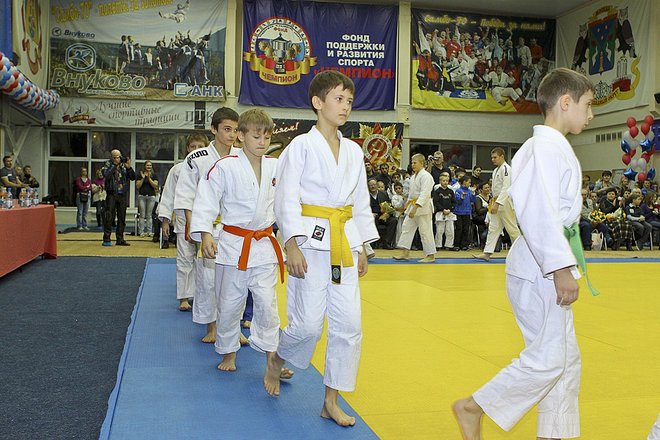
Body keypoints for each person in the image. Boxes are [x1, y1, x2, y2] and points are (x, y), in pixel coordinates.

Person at [453, 67, 595, 439]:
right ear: (566, 102)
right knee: (548, 360)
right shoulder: (544, 148)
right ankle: (473, 407)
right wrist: (559, 268)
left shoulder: (550, 146)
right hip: (539, 267)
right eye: (588, 105)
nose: (591, 114)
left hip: (541, 262)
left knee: (565, 362)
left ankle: (555, 434)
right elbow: (537, 211)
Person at [269, 71, 379, 425]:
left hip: (344, 243)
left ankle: (330, 400)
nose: (345, 106)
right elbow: (285, 198)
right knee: (307, 326)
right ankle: (277, 358)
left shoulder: (353, 151)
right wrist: (291, 244)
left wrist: (361, 246)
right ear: (318, 103)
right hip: (309, 243)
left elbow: (359, 202)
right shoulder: (301, 146)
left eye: (349, 100)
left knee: (349, 325)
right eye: (338, 99)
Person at [191, 109, 294, 387]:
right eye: (256, 136)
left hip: (264, 245)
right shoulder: (224, 167)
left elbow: (285, 206)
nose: (262, 142)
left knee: (268, 304)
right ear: (240, 136)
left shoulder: (276, 167)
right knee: (230, 303)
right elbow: (206, 201)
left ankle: (272, 358)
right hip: (233, 246)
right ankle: (229, 352)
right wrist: (205, 235)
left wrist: (291, 240)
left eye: (267, 137)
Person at [174, 107, 240, 343]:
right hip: (209, 227)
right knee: (208, 280)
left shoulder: (241, 156)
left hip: (235, 227)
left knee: (236, 281)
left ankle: (233, 328)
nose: (232, 135)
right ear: (214, 129)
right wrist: (193, 225)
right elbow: (186, 193)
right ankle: (212, 327)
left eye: (235, 130)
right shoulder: (197, 158)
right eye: (227, 129)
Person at [158, 133, 207, 311]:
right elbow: (168, 194)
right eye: (193, 147)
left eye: (200, 147)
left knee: (205, 261)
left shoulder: (213, 167)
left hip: (207, 221)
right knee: (185, 259)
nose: (196, 150)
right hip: (182, 221)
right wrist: (165, 219)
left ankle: (203, 297)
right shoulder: (178, 169)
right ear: (187, 149)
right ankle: (184, 297)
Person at [473, 147, 520, 261]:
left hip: (505, 201)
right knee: (493, 228)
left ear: (502, 156)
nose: (492, 160)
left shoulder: (506, 169)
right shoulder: (495, 170)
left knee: (512, 228)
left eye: (495, 157)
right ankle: (487, 253)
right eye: (492, 157)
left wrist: (498, 203)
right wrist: (493, 202)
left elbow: (506, 187)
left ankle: (522, 253)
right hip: (495, 200)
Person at [393, 153, 436, 263]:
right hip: (412, 205)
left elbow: (425, 194)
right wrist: (407, 207)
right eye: (412, 163)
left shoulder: (426, 176)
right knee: (406, 227)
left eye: (415, 163)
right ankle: (405, 252)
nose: (412, 165)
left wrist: (415, 208)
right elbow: (411, 195)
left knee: (425, 231)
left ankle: (430, 255)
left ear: (422, 163)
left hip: (423, 207)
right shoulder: (413, 177)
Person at [102, 150, 135, 246]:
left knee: (122, 217)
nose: (117, 159)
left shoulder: (123, 165)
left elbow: (133, 177)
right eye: (115, 157)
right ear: (112, 157)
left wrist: (129, 168)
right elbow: (106, 175)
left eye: (118, 157)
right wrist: (114, 166)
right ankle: (106, 238)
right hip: (112, 193)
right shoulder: (107, 164)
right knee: (109, 216)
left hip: (122, 194)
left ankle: (120, 239)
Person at [367, 177, 396, 249]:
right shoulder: (365, 196)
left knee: (393, 220)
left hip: (383, 215)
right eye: (371, 185)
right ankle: (374, 243)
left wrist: (387, 214)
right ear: (368, 186)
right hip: (372, 216)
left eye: (374, 185)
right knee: (372, 219)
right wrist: (370, 214)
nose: (373, 186)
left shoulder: (383, 194)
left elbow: (390, 207)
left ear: (377, 185)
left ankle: (387, 243)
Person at [432, 173, 456, 250]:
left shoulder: (451, 191)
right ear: (440, 181)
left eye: (447, 181)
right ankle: (438, 245)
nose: (445, 182)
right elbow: (436, 202)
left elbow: (453, 202)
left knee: (450, 230)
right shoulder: (437, 191)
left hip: (449, 212)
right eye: (443, 181)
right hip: (440, 212)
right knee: (440, 230)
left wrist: (450, 209)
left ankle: (449, 245)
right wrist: (442, 209)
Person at [136, 160, 160, 237]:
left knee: (149, 215)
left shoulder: (154, 175)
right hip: (142, 196)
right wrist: (143, 178)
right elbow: (138, 186)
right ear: (145, 166)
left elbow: (155, 186)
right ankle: (141, 232)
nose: (149, 166)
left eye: (150, 165)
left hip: (151, 197)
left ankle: (149, 232)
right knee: (142, 215)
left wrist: (149, 178)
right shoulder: (140, 174)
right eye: (147, 165)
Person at [453, 174, 475, 251]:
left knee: (466, 229)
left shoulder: (469, 191)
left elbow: (473, 200)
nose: (470, 184)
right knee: (459, 229)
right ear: (464, 182)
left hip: (467, 212)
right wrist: (462, 197)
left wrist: (473, 194)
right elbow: (457, 201)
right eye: (469, 182)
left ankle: (464, 245)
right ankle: (456, 244)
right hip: (459, 212)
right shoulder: (458, 191)